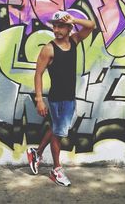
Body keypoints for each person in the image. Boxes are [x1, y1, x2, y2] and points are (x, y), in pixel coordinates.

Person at [27, 10, 95, 186]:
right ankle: (56, 170)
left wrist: (74, 18)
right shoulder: (49, 49)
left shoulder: (74, 41)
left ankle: (36, 152)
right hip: (57, 99)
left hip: (69, 97)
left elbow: (92, 25)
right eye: (54, 26)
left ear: (69, 27)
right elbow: (38, 74)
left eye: (60, 26)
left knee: (57, 128)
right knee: (58, 133)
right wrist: (39, 99)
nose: (56, 30)